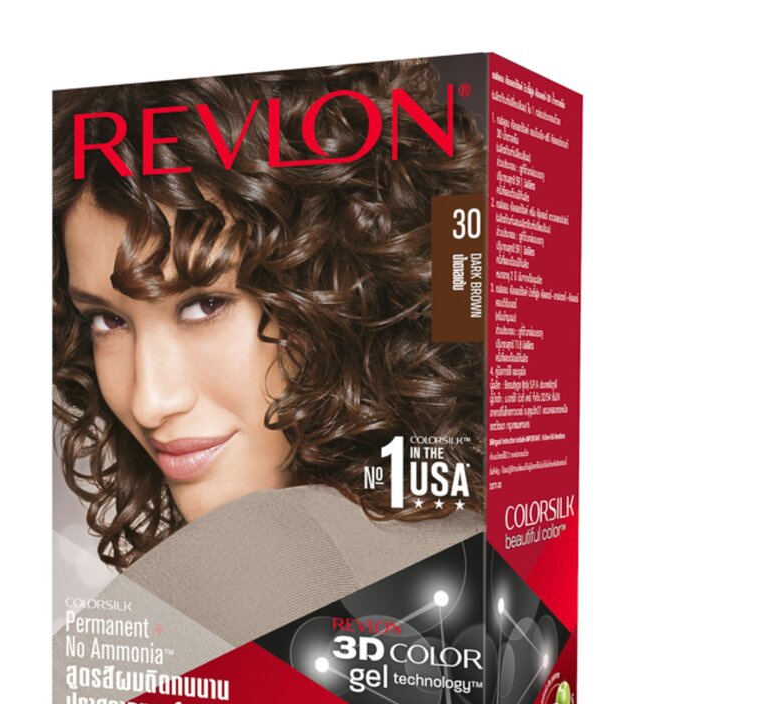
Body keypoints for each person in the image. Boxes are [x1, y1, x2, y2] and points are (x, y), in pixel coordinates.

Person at [52, 60, 486, 581]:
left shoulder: (458, 580)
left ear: (343, 290)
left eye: (204, 306)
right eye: (106, 321)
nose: (150, 402)